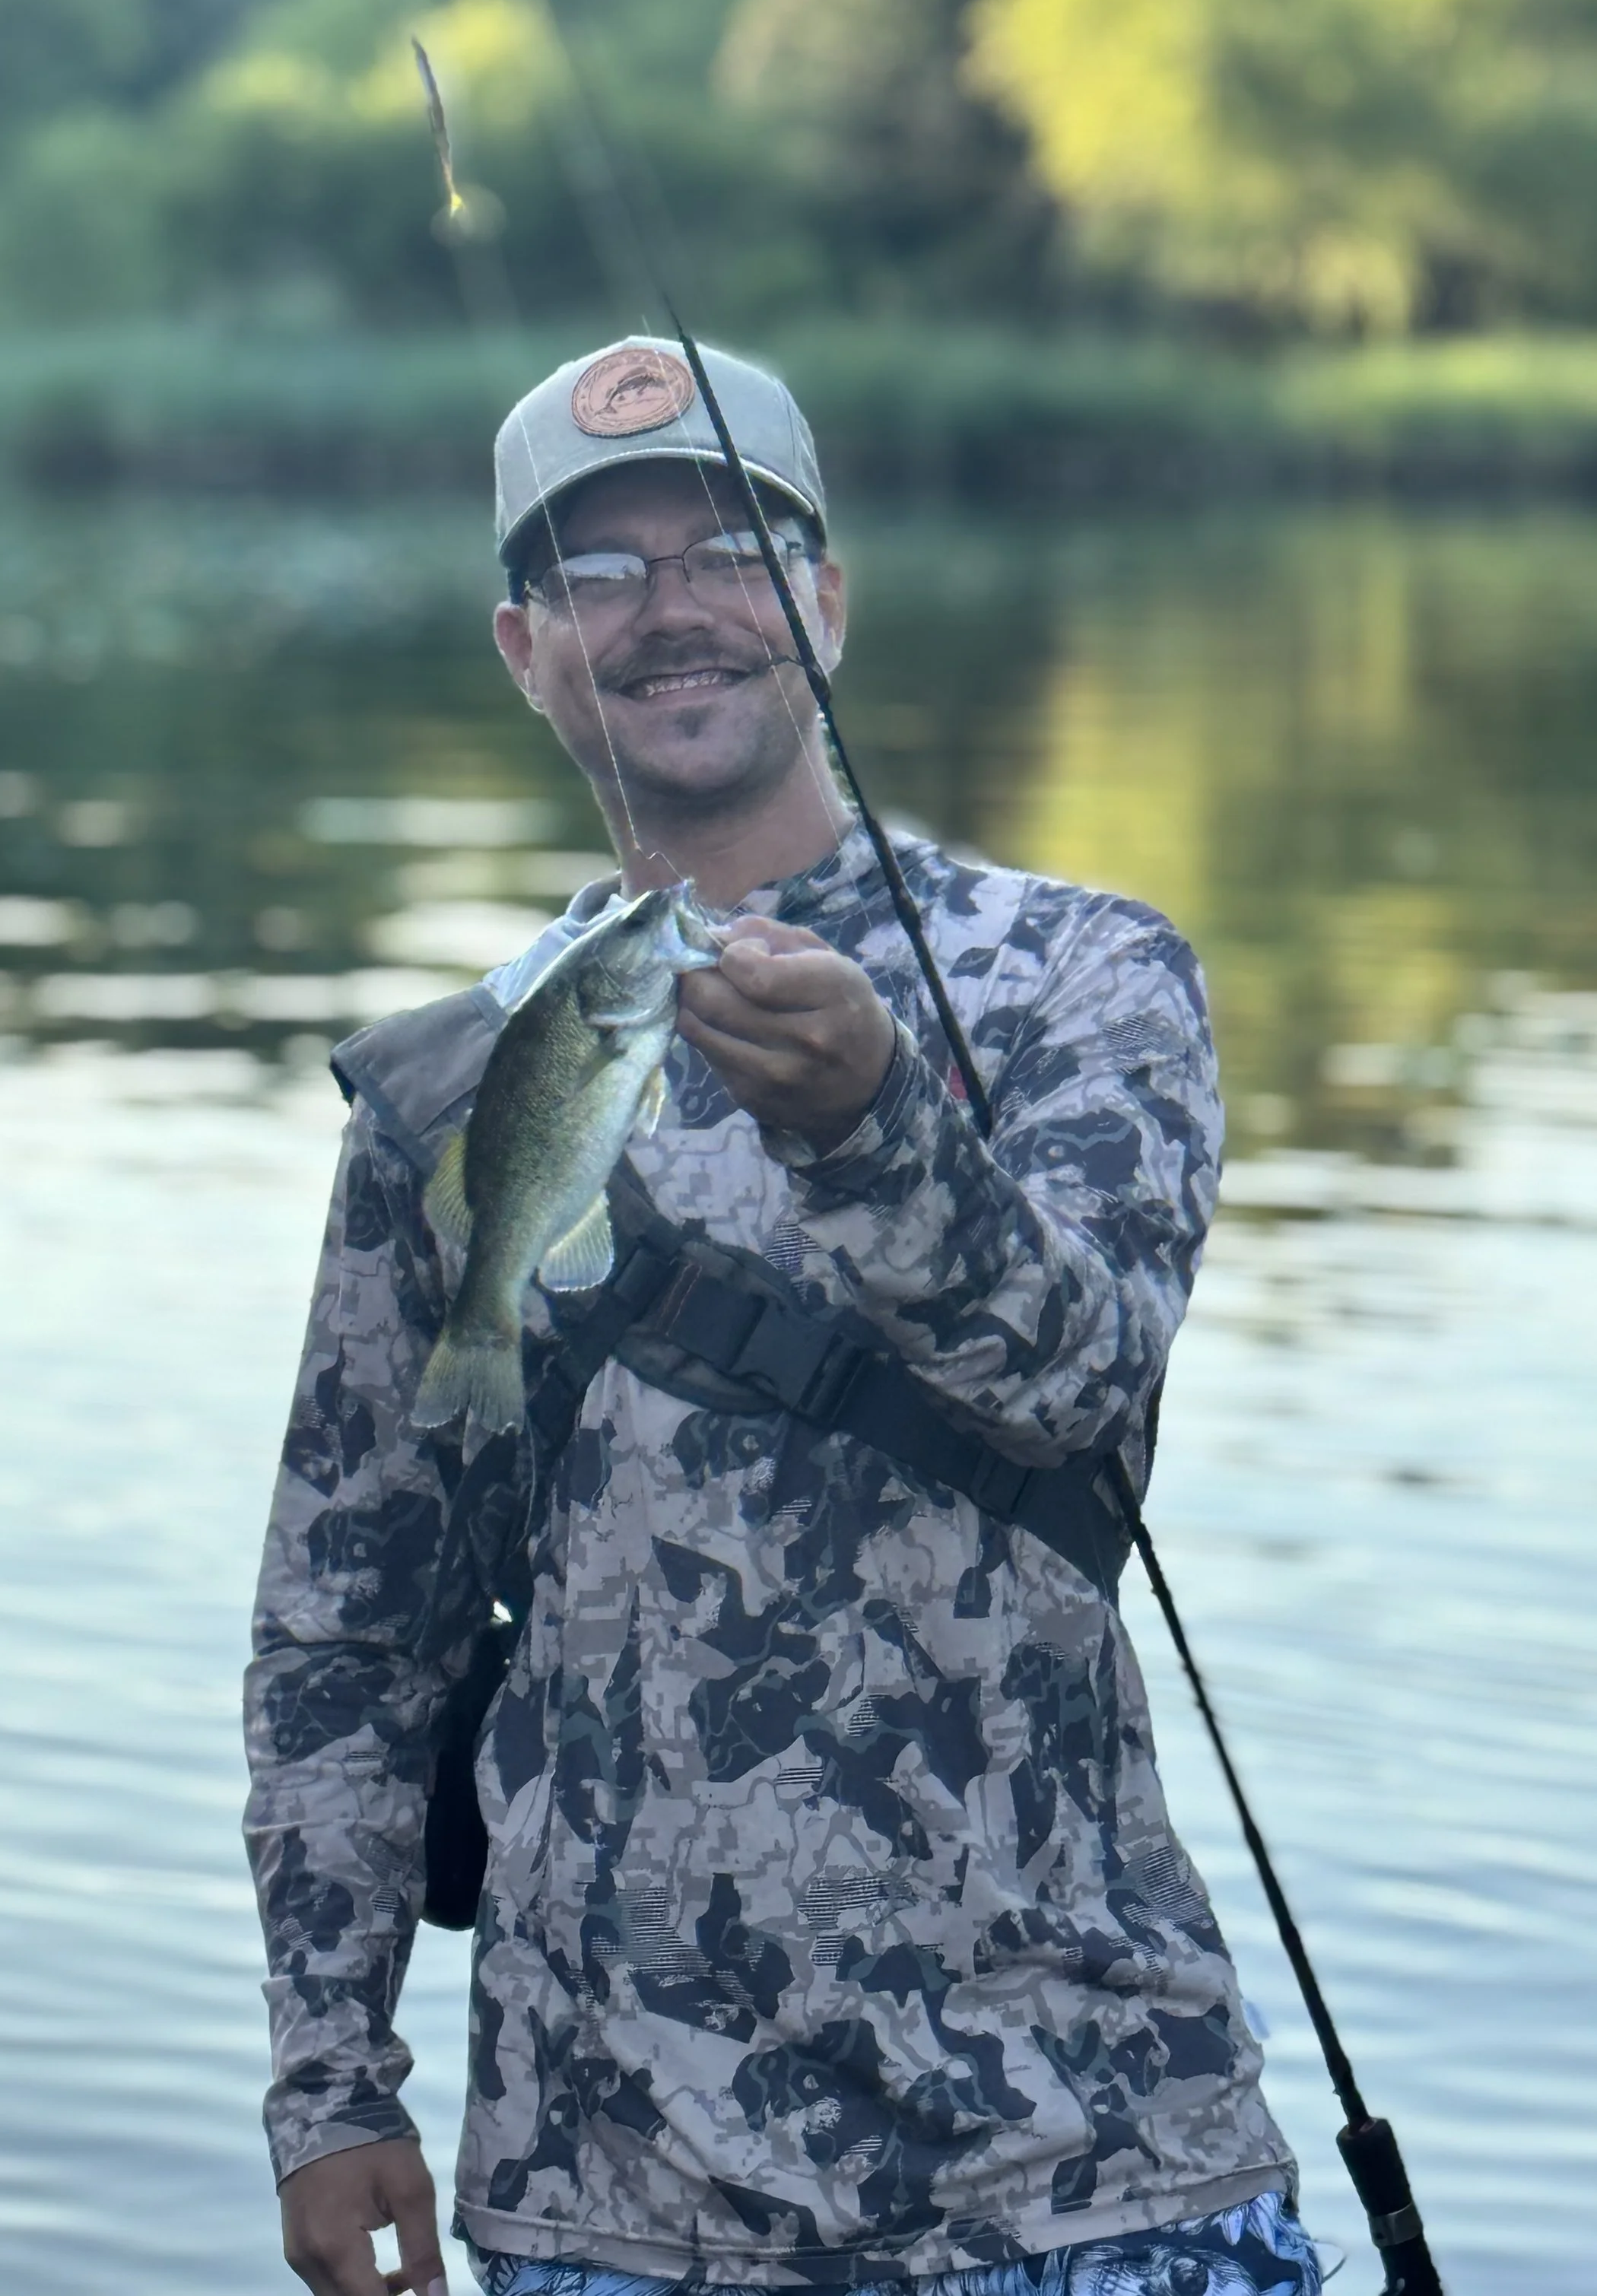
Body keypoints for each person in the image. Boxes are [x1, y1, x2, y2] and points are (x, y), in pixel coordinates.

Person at [245, 338, 1321, 2296]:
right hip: (607, 2186)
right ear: (523, 646)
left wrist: (871, 1129)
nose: (671, 611)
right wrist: (329, 2081)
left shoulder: (1075, 982)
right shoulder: (451, 1085)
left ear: (821, 599)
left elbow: (1077, 1386)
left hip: (1085, 2144)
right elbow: (343, 1622)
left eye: (731, 542)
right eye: (597, 572)